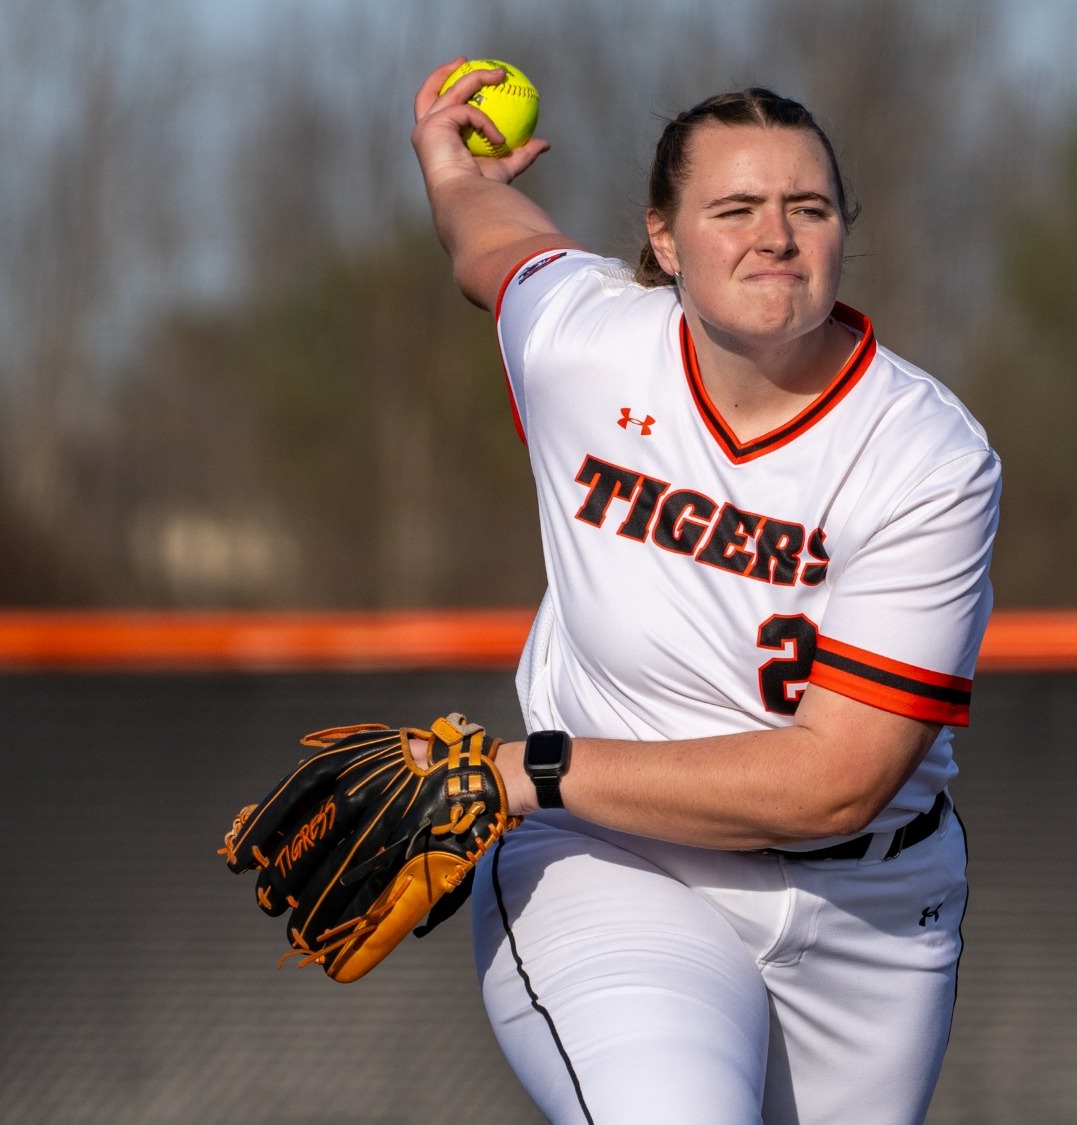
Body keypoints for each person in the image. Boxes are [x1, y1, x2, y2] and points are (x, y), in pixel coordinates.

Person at [410, 57, 1001, 1125]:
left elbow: (835, 784)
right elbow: (492, 247)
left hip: (865, 902)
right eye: (734, 208)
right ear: (666, 240)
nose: (775, 235)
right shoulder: (587, 344)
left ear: (841, 232)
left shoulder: (925, 455)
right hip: (611, 855)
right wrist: (452, 175)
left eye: (807, 208)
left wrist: (523, 768)